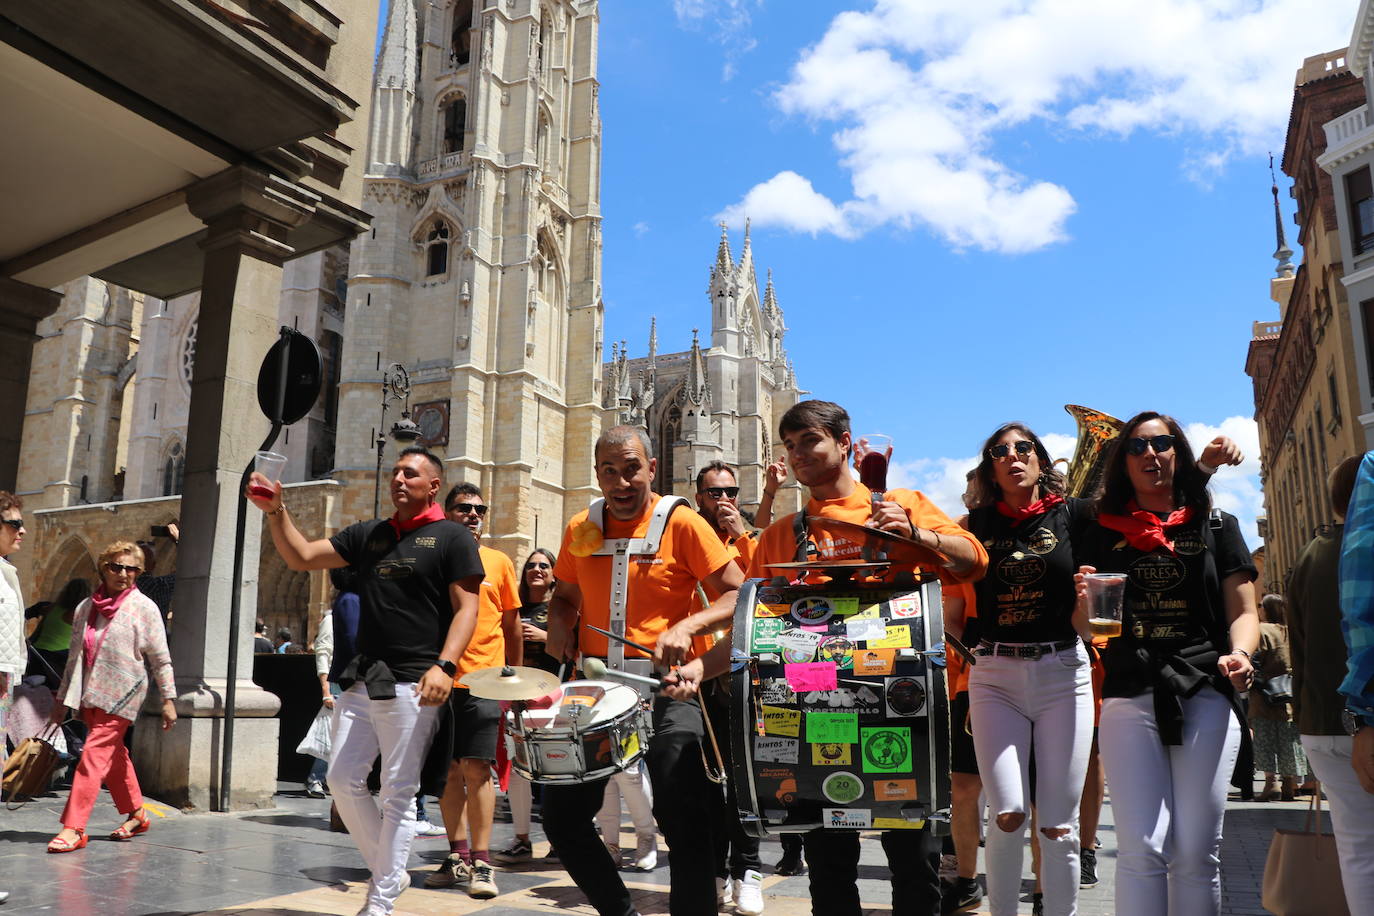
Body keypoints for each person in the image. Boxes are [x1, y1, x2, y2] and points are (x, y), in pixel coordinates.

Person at [745, 400, 987, 916]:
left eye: (809, 440)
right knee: (828, 870)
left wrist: (915, 534)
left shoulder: (902, 504)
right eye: (789, 445)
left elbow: (974, 562)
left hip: (905, 711)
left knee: (914, 863)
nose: (797, 453)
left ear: (844, 443)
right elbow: (749, 609)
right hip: (816, 713)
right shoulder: (781, 534)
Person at [247, 445, 484, 916]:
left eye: (410, 473)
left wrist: (445, 666)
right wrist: (276, 511)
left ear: (433, 485)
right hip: (364, 678)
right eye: (395, 471)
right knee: (340, 778)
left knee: (398, 790)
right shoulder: (370, 534)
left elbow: (468, 609)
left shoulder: (453, 538)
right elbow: (301, 556)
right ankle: (391, 872)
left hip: (416, 684)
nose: (399, 479)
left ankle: (379, 901)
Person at [543, 425, 744, 916]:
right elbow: (565, 595)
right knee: (562, 817)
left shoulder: (683, 523)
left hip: (667, 690)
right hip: (595, 693)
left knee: (685, 818)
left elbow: (739, 593)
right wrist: (559, 625)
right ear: (597, 475)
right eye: (609, 470)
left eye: (632, 468)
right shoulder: (579, 527)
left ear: (652, 468)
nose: (621, 481)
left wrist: (689, 626)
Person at [1075, 411, 1257, 916]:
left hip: (1204, 688)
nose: (1149, 454)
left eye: (1160, 443)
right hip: (1130, 690)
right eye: (1136, 447)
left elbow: (1244, 612)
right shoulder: (1099, 530)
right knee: (1141, 849)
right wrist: (1082, 601)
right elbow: (1085, 629)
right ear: (1122, 462)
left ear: (1179, 452)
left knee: (1197, 851)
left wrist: (1241, 654)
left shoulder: (1217, 524)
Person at [958, 423, 1094, 916]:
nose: (1012, 456)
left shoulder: (1075, 516)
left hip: (1063, 671)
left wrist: (1088, 599)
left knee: (1058, 823)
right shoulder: (972, 525)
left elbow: (1086, 627)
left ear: (1040, 459)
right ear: (990, 468)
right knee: (1008, 813)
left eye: (1023, 448)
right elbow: (948, 594)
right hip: (995, 674)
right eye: (1000, 451)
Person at [46, 539, 177, 852]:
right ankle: (137, 813)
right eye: (116, 567)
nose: (124, 574)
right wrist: (61, 701)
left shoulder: (144, 608)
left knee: (93, 756)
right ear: (103, 568)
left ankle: (74, 827)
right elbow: (74, 659)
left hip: (124, 693)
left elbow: (160, 658)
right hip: (90, 694)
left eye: (133, 569)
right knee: (113, 754)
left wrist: (169, 699)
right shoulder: (85, 608)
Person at [425, 483, 522, 900]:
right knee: (449, 771)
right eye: (465, 508)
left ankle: (482, 862)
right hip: (441, 680)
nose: (474, 515)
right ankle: (457, 854)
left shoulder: (499, 562)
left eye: (480, 509)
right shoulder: (433, 560)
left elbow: (511, 625)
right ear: (446, 512)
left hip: (484, 681)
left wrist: (514, 679)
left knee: (478, 769)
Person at [1289, 454, 1374, 915]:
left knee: (1358, 852)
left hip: (1320, 721)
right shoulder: (1363, 546)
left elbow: (1298, 644)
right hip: (1364, 715)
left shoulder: (1310, 554)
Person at [694, 461, 764, 915]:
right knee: (706, 782)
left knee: (745, 780)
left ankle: (749, 871)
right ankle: (717, 870)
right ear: (698, 497)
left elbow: (766, 587)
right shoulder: (688, 537)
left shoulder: (751, 538)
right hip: (703, 673)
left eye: (730, 492)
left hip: (747, 673)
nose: (723, 500)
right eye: (714, 493)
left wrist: (742, 535)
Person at [495, 547, 561, 866]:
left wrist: (544, 636)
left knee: (552, 770)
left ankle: (559, 840)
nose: (537, 569)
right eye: (531, 565)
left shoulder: (561, 607)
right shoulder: (514, 606)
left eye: (544, 565)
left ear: (554, 573)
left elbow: (575, 647)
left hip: (550, 697)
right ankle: (521, 839)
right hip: (515, 697)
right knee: (518, 770)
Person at [1250, 594, 1305, 801]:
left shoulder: (1261, 630)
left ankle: (1271, 783)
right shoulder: (1292, 631)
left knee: (1265, 738)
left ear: (1266, 609)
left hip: (1265, 693)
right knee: (1289, 739)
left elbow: (1255, 659)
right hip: (1291, 692)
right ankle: (1288, 784)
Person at [26, 578, 90, 690]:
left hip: (36, 653)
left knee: (33, 688)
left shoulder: (51, 608)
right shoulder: (78, 614)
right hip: (57, 659)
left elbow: (39, 626)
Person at [305, 601, 335, 798]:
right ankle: (315, 778)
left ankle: (330, 779)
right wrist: (326, 689)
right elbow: (322, 652)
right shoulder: (331, 620)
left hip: (359, 683)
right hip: (337, 683)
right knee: (330, 735)